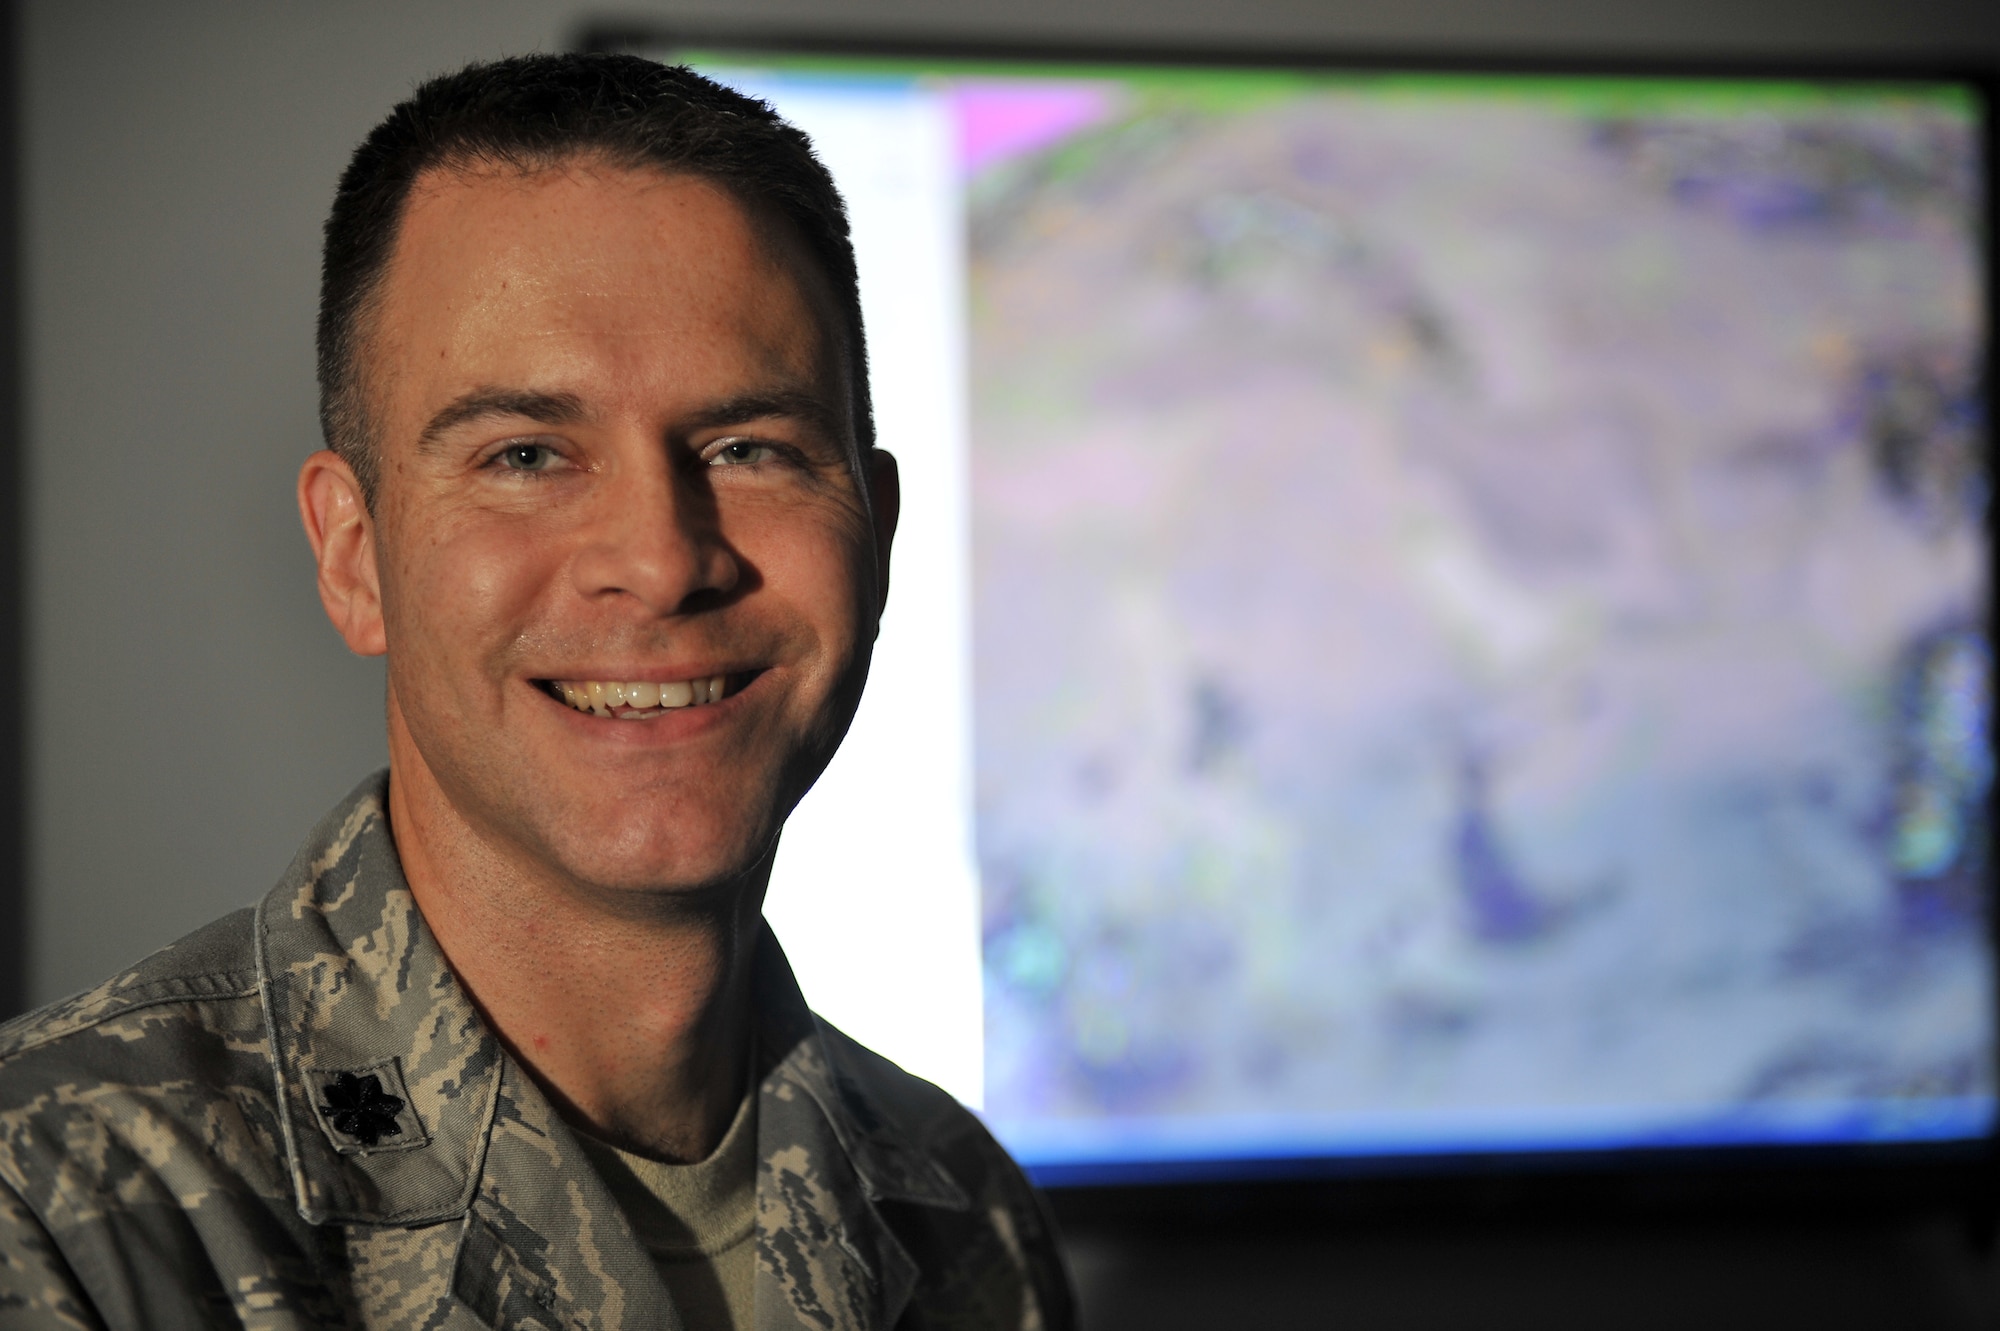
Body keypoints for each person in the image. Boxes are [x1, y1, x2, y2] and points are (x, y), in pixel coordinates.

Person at [0, 53, 1073, 1331]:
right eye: (525, 454)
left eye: (748, 448)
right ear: (356, 558)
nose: (663, 560)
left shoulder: (960, 1216)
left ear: (877, 535)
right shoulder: (61, 1207)